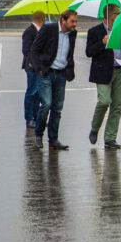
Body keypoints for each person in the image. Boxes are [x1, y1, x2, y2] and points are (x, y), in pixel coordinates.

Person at [31, 9, 78, 150]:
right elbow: (34, 50)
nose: (75, 24)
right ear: (63, 20)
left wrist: (69, 69)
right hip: (46, 73)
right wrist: (39, 68)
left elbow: (70, 53)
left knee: (57, 108)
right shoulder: (48, 29)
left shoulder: (72, 33)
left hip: (61, 74)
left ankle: (53, 139)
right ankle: (38, 136)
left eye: (76, 21)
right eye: (72, 21)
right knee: (46, 104)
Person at [86, 4, 121, 149]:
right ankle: (95, 128)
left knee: (117, 106)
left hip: (119, 71)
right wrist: (102, 42)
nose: (120, 16)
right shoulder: (95, 31)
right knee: (104, 101)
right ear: (110, 15)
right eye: (118, 13)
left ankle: (110, 138)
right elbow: (89, 52)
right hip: (103, 71)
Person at [21, 10, 45, 128]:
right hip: (32, 67)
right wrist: (34, 64)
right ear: (43, 19)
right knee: (31, 92)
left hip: (39, 67)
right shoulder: (29, 32)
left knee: (37, 93)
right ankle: (29, 118)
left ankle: (36, 117)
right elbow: (26, 51)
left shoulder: (40, 31)